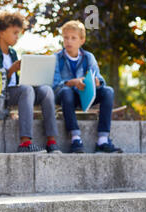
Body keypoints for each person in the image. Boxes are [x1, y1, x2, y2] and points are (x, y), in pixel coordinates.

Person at [0, 11, 60, 153]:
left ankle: (51, 142)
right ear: (1, 32)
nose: (17, 37)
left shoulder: (12, 53)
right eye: (15, 33)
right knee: (26, 89)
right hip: (1, 96)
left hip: (17, 92)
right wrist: (11, 70)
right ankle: (25, 143)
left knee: (46, 90)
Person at [53, 20, 123, 153]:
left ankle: (103, 140)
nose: (69, 41)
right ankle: (75, 138)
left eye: (73, 38)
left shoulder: (88, 57)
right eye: (66, 38)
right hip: (66, 98)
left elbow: (100, 79)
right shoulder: (56, 58)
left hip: (85, 95)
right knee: (66, 92)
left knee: (108, 91)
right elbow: (55, 85)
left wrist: (97, 82)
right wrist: (72, 82)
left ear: (82, 41)